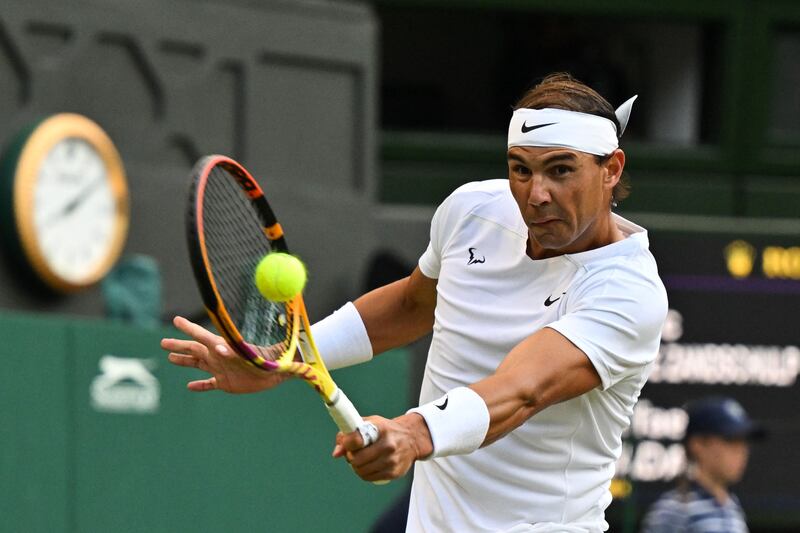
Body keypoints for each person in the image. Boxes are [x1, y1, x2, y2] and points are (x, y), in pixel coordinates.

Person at [161, 72, 668, 532]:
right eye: (520, 169)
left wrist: (411, 432)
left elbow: (522, 391)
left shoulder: (627, 291)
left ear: (610, 168)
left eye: (561, 170)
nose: (536, 194)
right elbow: (411, 306)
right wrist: (285, 358)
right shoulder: (472, 210)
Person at [640, 397, 765, 533]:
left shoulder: (732, 506)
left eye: (743, 442)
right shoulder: (673, 511)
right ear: (697, 444)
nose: (742, 451)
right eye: (730, 440)